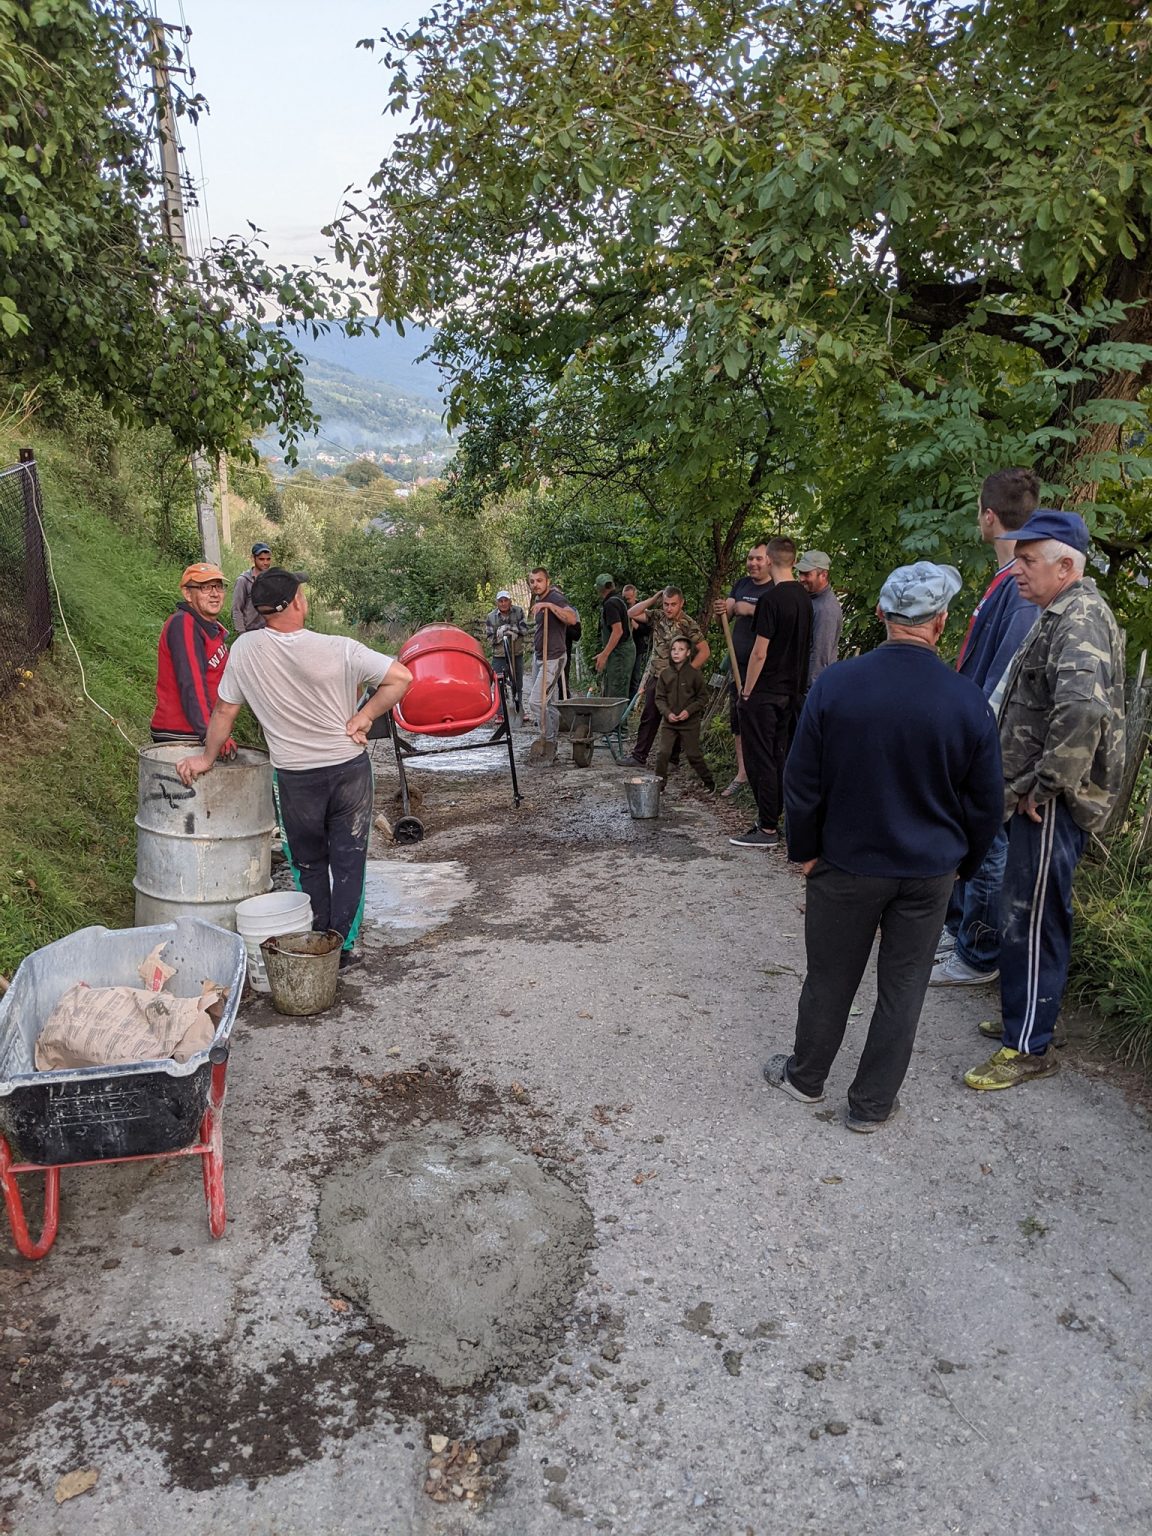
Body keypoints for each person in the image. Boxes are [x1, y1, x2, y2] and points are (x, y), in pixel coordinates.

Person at [765, 562, 1003, 1131]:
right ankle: (871, 1106)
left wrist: (805, 849)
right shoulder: (968, 700)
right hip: (929, 871)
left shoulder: (837, 685)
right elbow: (986, 802)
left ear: (881, 614)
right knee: (904, 987)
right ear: (941, 622)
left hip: (845, 862)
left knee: (829, 976)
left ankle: (805, 1077)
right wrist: (963, 864)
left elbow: (802, 779)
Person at [176, 568, 412, 968]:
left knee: (308, 864)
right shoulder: (339, 648)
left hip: (295, 779)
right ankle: (344, 946)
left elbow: (224, 712)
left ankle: (317, 942)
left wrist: (206, 758)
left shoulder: (244, 651)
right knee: (349, 859)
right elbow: (401, 678)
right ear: (297, 603)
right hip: (348, 771)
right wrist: (364, 717)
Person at [965, 511, 1126, 1091]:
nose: (1018, 571)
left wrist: (1046, 782)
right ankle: (1025, 1012)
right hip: (1037, 794)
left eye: (1029, 561)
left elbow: (1082, 709)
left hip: (1051, 800)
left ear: (1065, 565)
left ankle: (1029, 1045)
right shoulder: (1059, 611)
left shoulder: (1079, 617)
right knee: (1026, 908)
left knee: (1032, 915)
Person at [931, 468, 1040, 987]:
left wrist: (972, 739)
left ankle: (978, 953)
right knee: (969, 834)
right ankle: (957, 928)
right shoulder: (1006, 580)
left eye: (979, 509)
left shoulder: (1019, 590)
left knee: (990, 845)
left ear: (989, 516)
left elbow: (1004, 679)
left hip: (992, 742)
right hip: (974, 733)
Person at [730, 538, 812, 849]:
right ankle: (775, 819)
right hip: (792, 692)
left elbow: (759, 652)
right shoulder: (804, 598)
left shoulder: (771, 600)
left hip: (765, 692)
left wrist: (747, 692)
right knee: (780, 756)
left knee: (761, 759)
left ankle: (766, 827)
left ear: (770, 560)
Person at [151, 563, 235, 754]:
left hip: (201, 729)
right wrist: (210, 733)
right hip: (181, 734)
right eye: (205, 587)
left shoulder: (210, 627)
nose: (214, 594)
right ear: (188, 594)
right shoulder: (184, 624)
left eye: (219, 586)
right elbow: (192, 682)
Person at [626, 586, 710, 767]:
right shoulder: (657, 616)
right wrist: (654, 598)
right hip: (656, 676)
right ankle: (639, 756)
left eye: (673, 604)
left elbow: (704, 651)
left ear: (681, 603)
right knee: (649, 716)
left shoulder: (688, 624)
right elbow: (631, 613)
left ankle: (673, 759)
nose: (669, 608)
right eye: (666, 604)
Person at [712, 543, 772, 796]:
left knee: (761, 719)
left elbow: (780, 618)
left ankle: (764, 772)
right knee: (738, 717)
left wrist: (750, 610)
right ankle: (742, 772)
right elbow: (725, 615)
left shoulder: (775, 588)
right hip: (738, 665)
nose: (753, 563)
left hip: (764, 668)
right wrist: (721, 612)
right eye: (750, 558)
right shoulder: (741, 584)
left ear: (770, 561)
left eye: (758, 559)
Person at [653, 636, 715, 792]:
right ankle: (659, 786)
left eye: (680, 650)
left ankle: (709, 783)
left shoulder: (694, 674)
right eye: (673, 649)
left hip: (689, 723)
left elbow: (703, 698)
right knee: (663, 753)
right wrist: (667, 713)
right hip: (669, 723)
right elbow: (659, 698)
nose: (676, 653)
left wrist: (688, 711)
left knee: (693, 755)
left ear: (688, 653)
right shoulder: (665, 674)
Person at [525, 567, 577, 742]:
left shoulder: (555, 598)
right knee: (549, 702)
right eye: (532, 581)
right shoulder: (539, 598)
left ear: (548, 581)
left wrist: (548, 605)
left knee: (536, 702)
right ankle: (552, 740)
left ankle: (547, 739)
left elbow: (572, 619)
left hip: (553, 657)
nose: (535, 584)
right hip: (540, 656)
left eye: (539, 580)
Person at [795, 551, 843, 689]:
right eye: (800, 573)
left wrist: (811, 692)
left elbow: (820, 656)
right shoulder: (809, 598)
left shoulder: (826, 609)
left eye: (807, 574)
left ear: (823, 575)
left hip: (811, 688)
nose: (801, 578)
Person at [593, 574, 636, 698]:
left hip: (620, 655)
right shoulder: (619, 599)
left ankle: (617, 712)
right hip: (622, 652)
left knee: (617, 694)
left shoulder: (611, 604)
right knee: (613, 690)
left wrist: (604, 655)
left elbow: (618, 631)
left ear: (599, 589)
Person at [485, 590, 527, 713]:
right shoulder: (491, 617)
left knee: (518, 684)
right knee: (500, 685)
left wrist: (509, 628)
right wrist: (501, 635)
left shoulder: (518, 611)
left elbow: (524, 630)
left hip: (516, 653)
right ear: (497, 603)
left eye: (506, 600)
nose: (503, 603)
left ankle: (519, 709)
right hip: (499, 655)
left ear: (510, 601)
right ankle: (501, 712)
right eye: (500, 601)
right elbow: (490, 639)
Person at [231, 543, 273, 634]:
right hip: (250, 631)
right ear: (253, 558)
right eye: (261, 559)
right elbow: (236, 609)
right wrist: (242, 633)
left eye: (268, 559)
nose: (265, 562)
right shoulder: (243, 580)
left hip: (269, 631)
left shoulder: (272, 579)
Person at [622, 583, 650, 699]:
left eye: (629, 599)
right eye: (625, 598)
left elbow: (647, 630)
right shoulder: (620, 607)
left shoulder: (642, 610)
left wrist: (635, 624)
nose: (627, 601)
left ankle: (632, 703)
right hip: (622, 649)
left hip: (637, 648)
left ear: (635, 596)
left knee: (634, 677)